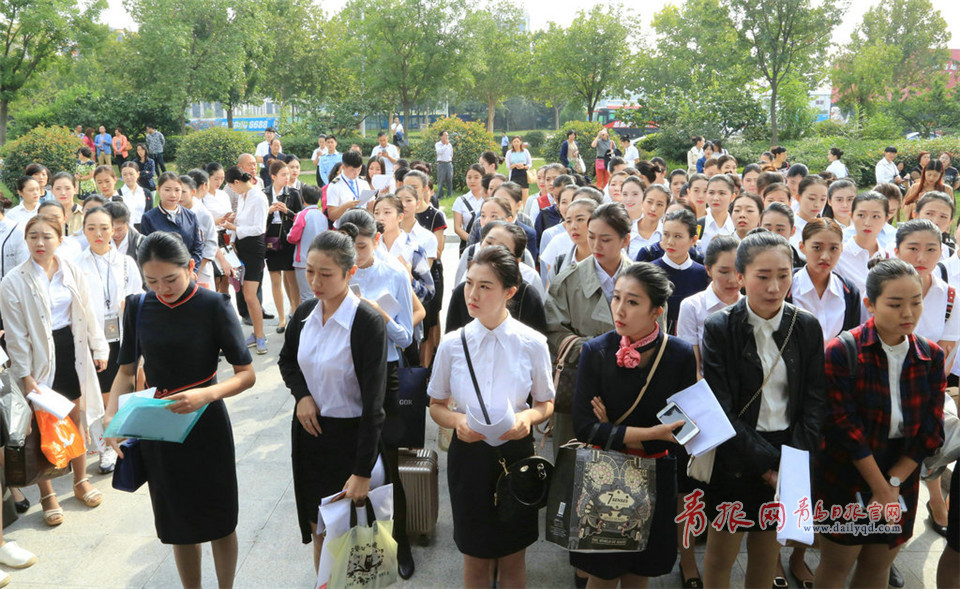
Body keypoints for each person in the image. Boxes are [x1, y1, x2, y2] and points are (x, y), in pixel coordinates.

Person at [104, 231, 255, 588]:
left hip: (206, 425)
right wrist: (111, 417)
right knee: (178, 525)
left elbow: (246, 375)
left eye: (170, 278)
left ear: (190, 266)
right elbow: (125, 371)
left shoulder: (214, 305)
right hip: (161, 429)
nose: (162, 288)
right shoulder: (139, 306)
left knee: (220, 520)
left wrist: (207, 395)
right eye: (152, 280)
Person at [700, 231, 826, 589]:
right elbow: (720, 408)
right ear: (740, 277)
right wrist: (769, 468)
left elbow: (815, 400)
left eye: (783, 275)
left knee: (767, 555)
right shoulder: (720, 328)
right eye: (763, 276)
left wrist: (791, 465)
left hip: (791, 451)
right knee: (721, 555)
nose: (775, 286)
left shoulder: (805, 326)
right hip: (737, 455)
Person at [813, 259, 945, 588]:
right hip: (850, 471)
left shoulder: (930, 355)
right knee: (838, 562)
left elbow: (932, 428)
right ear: (870, 304)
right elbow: (844, 426)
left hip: (903, 469)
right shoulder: (843, 351)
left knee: (879, 563)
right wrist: (881, 487)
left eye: (916, 302)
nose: (909, 313)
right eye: (896, 304)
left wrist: (895, 481)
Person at [428, 245, 554, 588]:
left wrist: (527, 419)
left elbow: (545, 403)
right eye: (470, 283)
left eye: (485, 286)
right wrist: (457, 422)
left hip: (515, 456)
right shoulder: (453, 343)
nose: (473, 293)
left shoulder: (532, 343)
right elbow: (437, 404)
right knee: (475, 555)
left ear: (509, 292)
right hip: (469, 456)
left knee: (514, 555)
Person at [571, 263, 697, 587]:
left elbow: (683, 431)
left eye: (633, 301)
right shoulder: (596, 350)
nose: (619, 310)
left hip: (657, 477)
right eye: (616, 298)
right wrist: (653, 434)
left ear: (656, 310)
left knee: (639, 574)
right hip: (604, 476)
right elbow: (584, 427)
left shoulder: (679, 354)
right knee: (601, 574)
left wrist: (614, 430)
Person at [278, 228, 388, 573]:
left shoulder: (366, 322)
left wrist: (362, 471)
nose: (315, 281)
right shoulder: (305, 314)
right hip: (311, 437)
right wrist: (302, 396)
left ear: (349, 273)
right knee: (319, 529)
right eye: (310, 271)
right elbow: (287, 361)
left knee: (353, 538)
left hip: (351, 439)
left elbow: (374, 405)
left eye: (326, 274)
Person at [0, 215, 110, 526]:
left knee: (75, 418)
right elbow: (16, 334)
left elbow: (88, 312)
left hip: (70, 349)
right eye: (33, 236)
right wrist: (25, 376)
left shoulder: (71, 270)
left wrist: (99, 347)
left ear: (59, 239)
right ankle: (47, 493)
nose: (39, 242)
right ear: (26, 240)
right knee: (41, 424)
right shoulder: (13, 281)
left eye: (46, 236)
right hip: (35, 360)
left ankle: (79, 481)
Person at [546, 203, 634, 463]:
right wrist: (592, 347)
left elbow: (657, 332)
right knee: (572, 465)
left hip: (628, 384)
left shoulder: (644, 281)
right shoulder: (567, 280)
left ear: (625, 240)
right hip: (578, 382)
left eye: (605, 239)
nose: (596, 246)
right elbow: (552, 330)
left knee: (622, 468)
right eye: (591, 236)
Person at [75, 206, 143, 473]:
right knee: (102, 394)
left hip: (124, 335)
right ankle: (105, 448)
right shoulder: (76, 265)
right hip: (94, 337)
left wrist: (129, 304)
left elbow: (139, 295)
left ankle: (128, 440)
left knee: (125, 391)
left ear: (113, 229)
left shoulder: (126, 262)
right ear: (84, 231)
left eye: (104, 227)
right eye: (91, 228)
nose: (99, 233)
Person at [220, 166, 269, 354]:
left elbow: (259, 228)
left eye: (232, 186)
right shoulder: (242, 197)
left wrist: (234, 227)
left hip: (254, 248)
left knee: (250, 294)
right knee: (244, 293)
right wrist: (232, 237)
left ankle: (261, 335)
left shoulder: (259, 197)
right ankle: (256, 333)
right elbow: (240, 222)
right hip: (240, 246)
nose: (232, 190)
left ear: (238, 182)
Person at [677, 235, 741, 376]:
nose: (733, 280)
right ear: (708, 269)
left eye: (738, 271)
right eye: (724, 272)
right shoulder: (692, 306)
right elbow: (692, 368)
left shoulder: (750, 306)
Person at [652, 209, 709, 335]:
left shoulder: (703, 274)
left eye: (677, 236)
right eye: (666, 234)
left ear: (693, 240)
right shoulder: (650, 272)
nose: (670, 241)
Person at [263, 160, 302, 332]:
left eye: (288, 174)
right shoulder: (264, 194)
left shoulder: (293, 193)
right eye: (283, 175)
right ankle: (281, 319)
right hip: (271, 238)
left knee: (292, 278)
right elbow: (258, 220)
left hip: (288, 238)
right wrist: (269, 212)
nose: (287, 177)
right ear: (273, 177)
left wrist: (287, 211)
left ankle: (295, 311)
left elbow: (300, 218)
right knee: (275, 279)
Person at [139, 173, 204, 269]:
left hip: (188, 273)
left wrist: (192, 271)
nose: (173, 195)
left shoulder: (191, 216)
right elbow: (147, 252)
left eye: (177, 190)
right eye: (167, 190)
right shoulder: (149, 218)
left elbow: (198, 247)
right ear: (158, 189)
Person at [835, 191, 893, 296]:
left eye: (875, 216)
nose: (867, 223)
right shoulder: (838, 257)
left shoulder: (890, 257)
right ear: (851, 216)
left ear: (886, 219)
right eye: (861, 215)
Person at [287, 185, 327, 304]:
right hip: (321, 260)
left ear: (303, 198)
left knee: (306, 295)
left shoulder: (302, 215)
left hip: (303, 260)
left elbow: (293, 237)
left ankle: (308, 321)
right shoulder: (322, 216)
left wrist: (287, 235)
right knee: (318, 294)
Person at [626, 182, 668, 259]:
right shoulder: (628, 230)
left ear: (666, 208)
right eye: (649, 202)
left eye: (659, 204)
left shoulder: (667, 235)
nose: (653, 208)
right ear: (642, 203)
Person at [324, 150, 369, 222]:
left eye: (359, 169)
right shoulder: (335, 186)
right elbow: (332, 216)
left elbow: (371, 205)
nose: (356, 173)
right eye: (352, 170)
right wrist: (346, 206)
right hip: (345, 226)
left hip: (363, 224)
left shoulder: (363, 182)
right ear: (343, 167)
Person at [698, 174, 736, 256]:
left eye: (722, 193)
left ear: (732, 197)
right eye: (711, 193)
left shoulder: (736, 227)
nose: (715, 198)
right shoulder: (698, 226)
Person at [453, 164, 487, 254]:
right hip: (467, 246)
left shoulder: (489, 199)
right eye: (469, 177)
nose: (472, 181)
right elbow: (457, 227)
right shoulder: (460, 201)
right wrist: (473, 241)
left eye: (476, 177)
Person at [791, 175, 829, 248]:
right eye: (812, 198)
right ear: (798, 197)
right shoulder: (789, 226)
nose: (817, 205)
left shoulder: (826, 227)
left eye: (823, 199)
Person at [117, 161, 152, 229]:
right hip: (125, 229)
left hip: (144, 229)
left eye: (131, 174)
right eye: (124, 174)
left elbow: (150, 214)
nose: (128, 177)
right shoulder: (117, 194)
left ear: (138, 174)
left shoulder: (146, 193)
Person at [505, 136, 532, 202]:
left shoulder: (525, 151)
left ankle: (525, 209)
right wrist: (515, 165)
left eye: (517, 141)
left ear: (521, 142)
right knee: (514, 195)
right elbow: (508, 166)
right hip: (514, 175)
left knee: (525, 195)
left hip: (524, 174)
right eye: (514, 142)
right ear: (512, 143)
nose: (516, 143)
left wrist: (524, 167)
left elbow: (530, 164)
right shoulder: (509, 153)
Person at [434, 130, 454, 200]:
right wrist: (445, 145)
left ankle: (449, 194)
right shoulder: (437, 144)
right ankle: (440, 195)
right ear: (441, 136)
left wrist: (449, 160)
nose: (447, 137)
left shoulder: (450, 145)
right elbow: (439, 152)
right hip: (441, 164)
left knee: (450, 180)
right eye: (445, 135)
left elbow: (451, 154)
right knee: (440, 181)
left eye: (447, 135)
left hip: (449, 164)